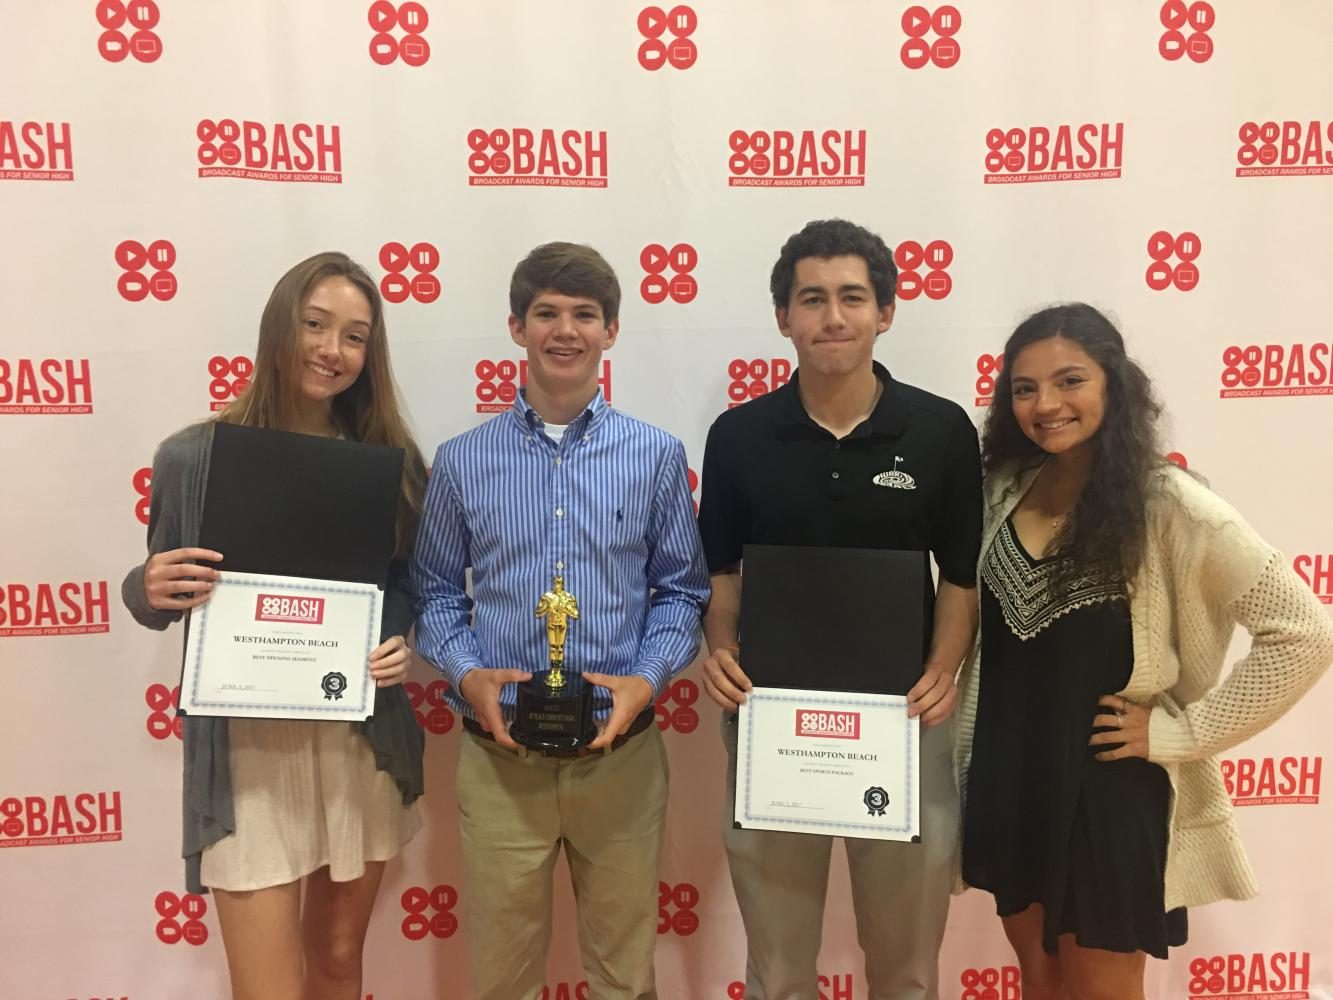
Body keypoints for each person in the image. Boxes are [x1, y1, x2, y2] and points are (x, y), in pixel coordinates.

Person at [953, 303, 1333, 1000]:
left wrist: (1184, 732)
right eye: (1024, 388)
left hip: (1107, 788)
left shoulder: (1169, 505)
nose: (1046, 404)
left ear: (1112, 384)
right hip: (1007, 782)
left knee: (1102, 987)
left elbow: (1305, 630)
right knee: (1036, 980)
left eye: (1070, 380)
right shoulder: (1000, 490)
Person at [121, 252, 427, 1000]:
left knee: (336, 962)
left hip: (357, 750)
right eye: (314, 325)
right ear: (276, 328)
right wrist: (149, 586)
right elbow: (156, 586)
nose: (332, 350)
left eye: (355, 336)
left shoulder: (387, 463)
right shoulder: (193, 456)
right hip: (248, 760)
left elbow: (409, 586)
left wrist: (400, 640)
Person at [411, 241, 709, 1000]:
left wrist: (645, 682)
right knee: (500, 979)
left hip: (623, 761)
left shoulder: (653, 455)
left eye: (584, 314)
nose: (565, 330)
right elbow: (437, 593)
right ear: (516, 327)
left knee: (623, 975)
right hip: (499, 759)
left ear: (611, 330)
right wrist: (468, 674)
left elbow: (681, 592)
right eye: (546, 312)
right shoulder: (461, 460)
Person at [696, 218, 983, 1000]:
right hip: (773, 716)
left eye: (851, 298)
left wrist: (941, 669)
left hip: (902, 721)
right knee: (780, 967)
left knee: (906, 968)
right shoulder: (738, 436)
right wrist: (720, 648)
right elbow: (719, 572)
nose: (832, 317)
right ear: (782, 316)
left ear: (884, 313)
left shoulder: (941, 431)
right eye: (811, 299)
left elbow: (961, 575)